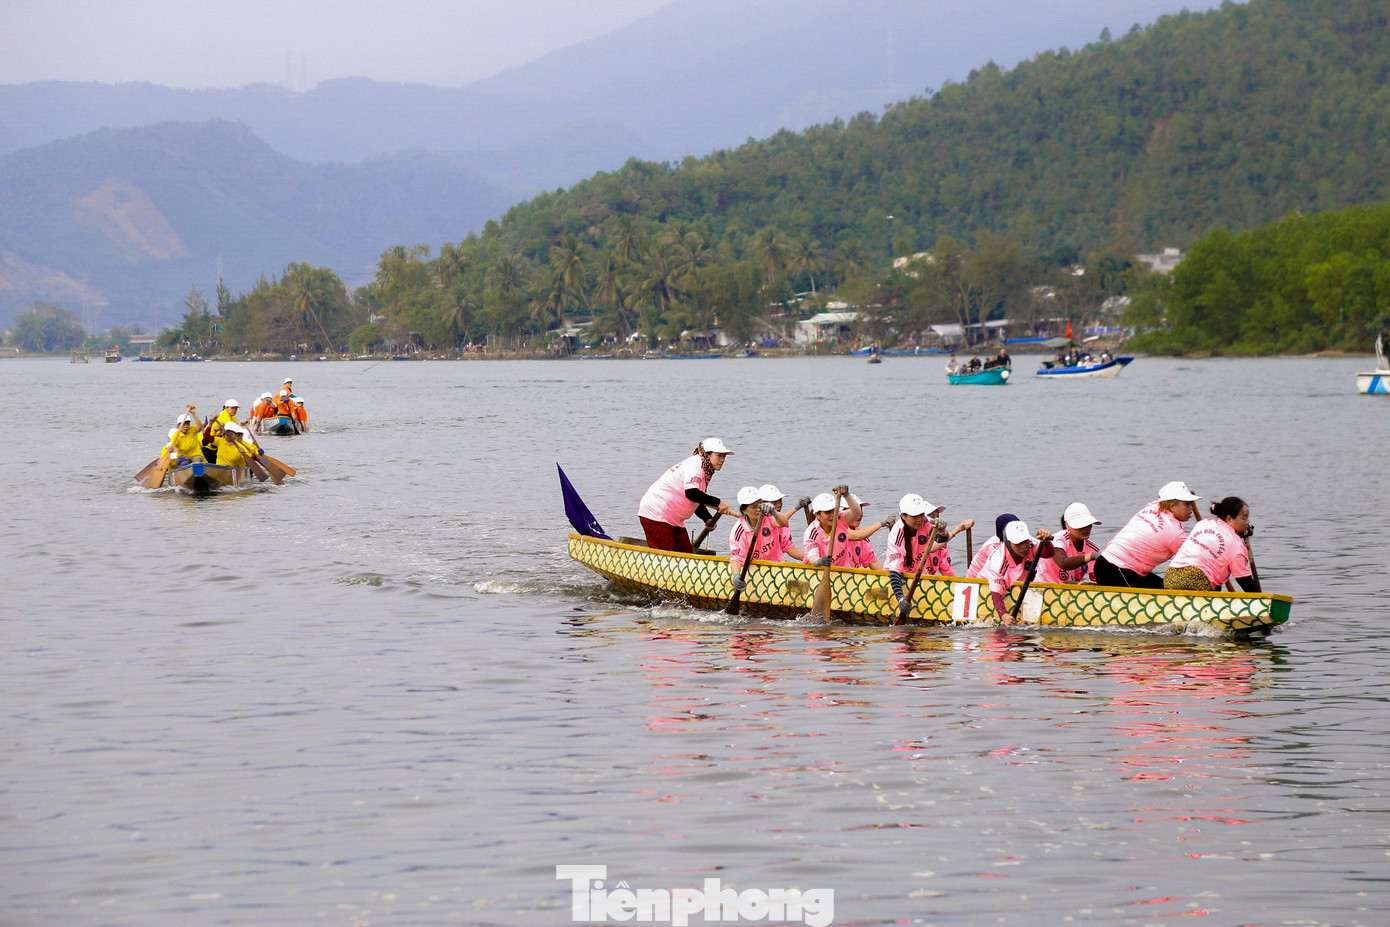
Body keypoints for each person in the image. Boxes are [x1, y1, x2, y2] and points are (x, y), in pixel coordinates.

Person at [1093, 481, 1200, 589]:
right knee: (1139, 601)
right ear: (1172, 506)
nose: (1191, 508)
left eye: (1190, 503)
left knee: (1166, 590)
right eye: (1187, 504)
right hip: (1114, 568)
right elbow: (1198, 560)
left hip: (1121, 568)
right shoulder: (1174, 533)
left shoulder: (1154, 506)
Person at [638, 438, 734, 552]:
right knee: (667, 556)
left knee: (686, 553)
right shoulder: (696, 464)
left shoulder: (705, 469)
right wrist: (718, 502)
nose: (722, 460)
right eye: (719, 456)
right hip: (656, 512)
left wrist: (707, 518)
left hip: (673, 518)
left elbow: (695, 499)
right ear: (707, 455)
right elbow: (692, 493)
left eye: (724, 457)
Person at [1165, 497, 1260, 593]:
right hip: (1195, 580)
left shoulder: (1203, 523)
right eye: (1244, 517)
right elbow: (1243, 578)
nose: (1248, 522)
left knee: (1216, 580)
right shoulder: (1235, 544)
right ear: (1229, 519)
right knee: (1211, 579)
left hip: (1170, 577)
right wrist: (1260, 599)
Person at [971, 519, 1054, 624]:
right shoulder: (998, 560)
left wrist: (1047, 543)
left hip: (1017, 586)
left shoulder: (1031, 544)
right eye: (1018, 543)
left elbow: (1048, 554)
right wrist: (1004, 615)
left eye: (1025, 541)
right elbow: (996, 592)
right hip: (988, 590)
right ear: (1008, 543)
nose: (1024, 546)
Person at [884, 494, 952, 614]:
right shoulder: (897, 534)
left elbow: (941, 539)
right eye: (914, 516)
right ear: (903, 516)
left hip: (918, 575)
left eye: (921, 514)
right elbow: (895, 571)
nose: (919, 519)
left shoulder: (925, 522)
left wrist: (942, 530)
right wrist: (900, 598)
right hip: (897, 579)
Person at [728, 487, 804, 579]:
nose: (758, 510)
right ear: (744, 510)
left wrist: (774, 512)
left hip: (778, 568)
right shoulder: (739, 530)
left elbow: (784, 523)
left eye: (759, 506)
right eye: (753, 507)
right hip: (754, 572)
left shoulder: (769, 516)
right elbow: (736, 558)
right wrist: (736, 576)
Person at [802, 488, 886, 567]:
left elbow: (856, 512)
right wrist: (819, 561)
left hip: (844, 571)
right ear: (817, 515)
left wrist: (846, 494)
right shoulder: (811, 532)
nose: (832, 515)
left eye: (834, 510)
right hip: (819, 569)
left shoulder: (840, 518)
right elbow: (812, 556)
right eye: (827, 512)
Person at [1047, 502, 1103, 584]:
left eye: (1088, 524)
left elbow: (1099, 578)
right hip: (1046, 586)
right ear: (1067, 525)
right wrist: (1091, 556)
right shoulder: (1057, 540)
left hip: (1073, 590)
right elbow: (1064, 563)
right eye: (1081, 525)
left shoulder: (1092, 548)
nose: (1086, 529)